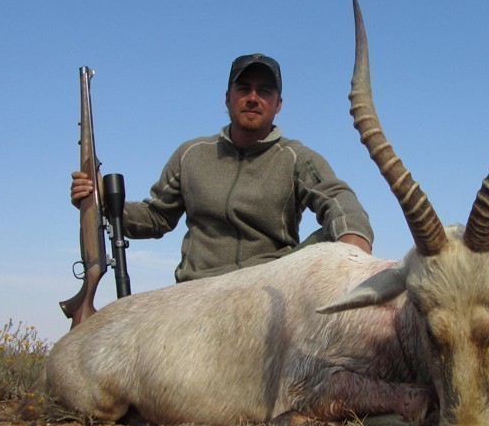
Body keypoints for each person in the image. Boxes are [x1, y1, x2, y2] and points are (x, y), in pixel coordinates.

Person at [71, 53, 373, 282]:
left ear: (278, 103)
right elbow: (156, 217)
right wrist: (101, 202)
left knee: (330, 243)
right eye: (244, 88)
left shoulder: (297, 158)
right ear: (227, 98)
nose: (253, 98)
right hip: (196, 292)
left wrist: (353, 249)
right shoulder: (191, 154)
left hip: (265, 288)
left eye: (264, 91)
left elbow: (340, 201)